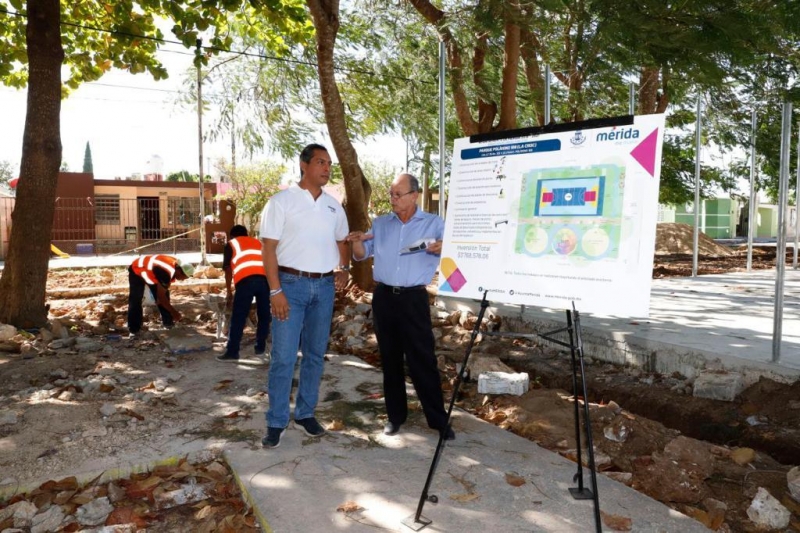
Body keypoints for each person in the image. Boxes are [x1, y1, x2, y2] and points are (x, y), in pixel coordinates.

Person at [348, 173, 454, 440]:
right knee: (390, 359)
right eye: (391, 194)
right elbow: (362, 255)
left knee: (423, 360)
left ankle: (438, 421)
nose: (393, 199)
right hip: (384, 298)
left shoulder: (433, 223)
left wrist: (445, 248)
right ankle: (395, 417)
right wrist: (358, 242)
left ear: (414, 195)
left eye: (398, 194)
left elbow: (453, 252)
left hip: (414, 299)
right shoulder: (382, 223)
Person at [259, 143, 350, 448]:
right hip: (290, 287)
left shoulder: (334, 206)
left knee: (314, 355)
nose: (326, 168)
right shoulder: (281, 202)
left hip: (323, 289)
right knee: (284, 357)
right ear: (304, 165)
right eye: (321, 162)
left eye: (329, 164)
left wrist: (344, 268)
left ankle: (305, 413)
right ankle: (276, 420)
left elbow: (342, 241)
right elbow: (268, 249)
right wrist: (275, 291)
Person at [216, 225, 271, 362]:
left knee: (239, 316)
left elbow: (228, 270)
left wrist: (229, 291)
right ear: (246, 234)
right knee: (264, 316)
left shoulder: (231, 244)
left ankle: (232, 352)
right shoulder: (258, 242)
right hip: (265, 281)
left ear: (232, 236)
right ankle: (260, 348)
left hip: (245, 282)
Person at [128, 254, 194, 335]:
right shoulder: (165, 272)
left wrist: (161, 298)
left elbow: (163, 292)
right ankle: (134, 329)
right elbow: (161, 297)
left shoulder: (174, 266)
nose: (183, 280)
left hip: (152, 273)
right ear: (179, 271)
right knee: (135, 299)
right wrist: (174, 312)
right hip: (137, 271)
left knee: (165, 296)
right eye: (184, 277)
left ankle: (168, 323)